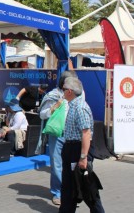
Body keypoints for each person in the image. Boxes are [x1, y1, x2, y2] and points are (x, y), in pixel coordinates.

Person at [59, 77, 104, 213]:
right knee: (70, 187)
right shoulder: (73, 105)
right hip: (71, 148)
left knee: (86, 188)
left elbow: (86, 133)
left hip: (78, 149)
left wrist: (83, 157)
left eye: (64, 89)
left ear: (70, 91)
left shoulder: (80, 107)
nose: (63, 91)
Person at [38, 70, 78, 206]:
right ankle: (57, 192)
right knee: (56, 165)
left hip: (72, 134)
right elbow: (42, 115)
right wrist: (53, 108)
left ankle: (70, 192)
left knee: (72, 165)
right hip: (57, 135)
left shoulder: (77, 95)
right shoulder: (52, 96)